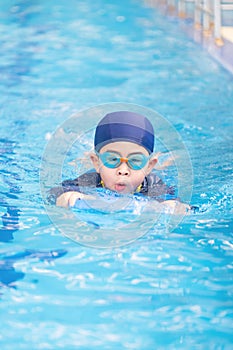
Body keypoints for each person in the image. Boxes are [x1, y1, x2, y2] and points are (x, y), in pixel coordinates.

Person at [49, 111, 191, 214]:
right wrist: (67, 197)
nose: (123, 170)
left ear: (149, 166)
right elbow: (58, 193)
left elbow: (178, 206)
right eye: (112, 160)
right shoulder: (88, 181)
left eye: (136, 161)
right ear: (96, 163)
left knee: (166, 164)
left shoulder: (154, 186)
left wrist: (174, 207)